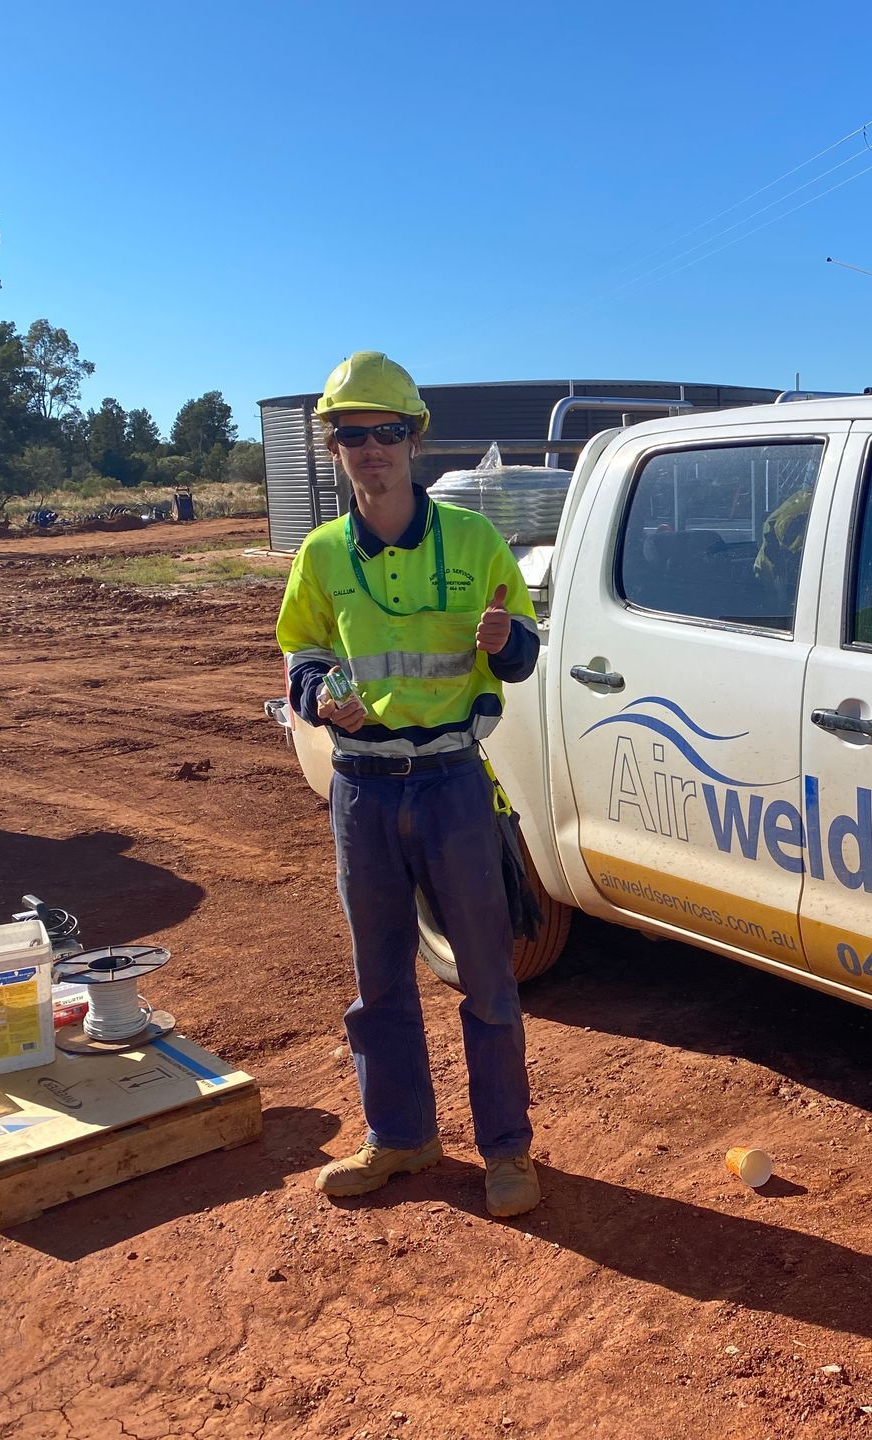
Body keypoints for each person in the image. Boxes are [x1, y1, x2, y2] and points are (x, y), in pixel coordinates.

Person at [276, 351, 544, 1215]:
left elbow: (525, 656)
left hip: (452, 785)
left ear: (415, 439)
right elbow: (302, 655)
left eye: (387, 432)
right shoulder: (319, 556)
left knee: (487, 977)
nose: (371, 449)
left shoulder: (473, 539)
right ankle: (401, 1137)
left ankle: (506, 1150)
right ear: (335, 449)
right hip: (362, 787)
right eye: (352, 435)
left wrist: (504, 643)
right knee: (379, 979)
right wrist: (321, 698)